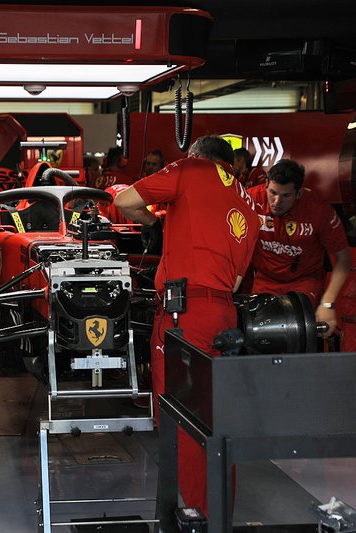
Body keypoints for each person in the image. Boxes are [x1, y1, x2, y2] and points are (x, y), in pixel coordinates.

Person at [114, 135, 259, 516]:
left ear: (196, 157)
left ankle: (198, 515)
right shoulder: (249, 202)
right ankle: (218, 515)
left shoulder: (191, 168)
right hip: (224, 314)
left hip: (183, 314)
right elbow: (238, 282)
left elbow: (124, 200)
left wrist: (153, 224)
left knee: (181, 420)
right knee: (217, 418)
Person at [247, 159, 351, 335]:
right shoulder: (249, 200)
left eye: (286, 195)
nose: (277, 201)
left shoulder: (318, 209)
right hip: (265, 279)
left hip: (305, 281)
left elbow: (343, 258)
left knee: (298, 334)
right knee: (258, 334)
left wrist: (327, 304)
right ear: (265, 185)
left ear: (299, 193)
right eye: (272, 193)